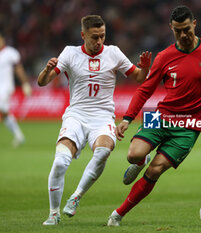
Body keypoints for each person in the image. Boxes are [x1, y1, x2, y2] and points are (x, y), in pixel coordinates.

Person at [107, 5, 201, 226]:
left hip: (190, 125)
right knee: (133, 155)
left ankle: (118, 214)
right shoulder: (164, 57)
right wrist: (127, 118)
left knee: (155, 170)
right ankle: (141, 158)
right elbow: (145, 89)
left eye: (186, 29)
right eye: (177, 31)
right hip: (162, 115)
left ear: (194, 24)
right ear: (171, 28)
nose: (183, 35)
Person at [37, 15, 152, 225]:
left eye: (102, 36)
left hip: (103, 117)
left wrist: (144, 68)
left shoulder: (114, 53)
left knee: (103, 151)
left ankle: (76, 196)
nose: (99, 41)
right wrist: (46, 70)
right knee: (61, 162)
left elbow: (139, 77)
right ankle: (53, 213)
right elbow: (43, 82)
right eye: (94, 37)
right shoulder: (70, 53)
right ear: (83, 35)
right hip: (76, 115)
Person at [0, 32, 32, 147]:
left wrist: (25, 84)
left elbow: (18, 69)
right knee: (4, 113)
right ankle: (19, 136)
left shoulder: (10, 53)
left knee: (2, 109)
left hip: (5, 87)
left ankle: (19, 136)